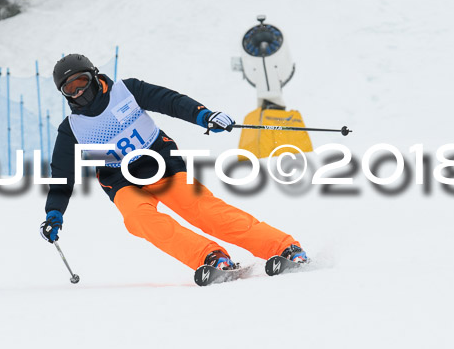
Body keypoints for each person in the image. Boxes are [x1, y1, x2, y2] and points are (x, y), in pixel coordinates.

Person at [40, 54, 307, 272]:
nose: (79, 91)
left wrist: (203, 115)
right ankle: (211, 258)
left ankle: (283, 247)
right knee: (138, 219)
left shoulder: (127, 90)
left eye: (82, 82)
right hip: (119, 180)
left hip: (161, 163)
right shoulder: (71, 129)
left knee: (202, 210)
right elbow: (62, 175)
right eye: (70, 89)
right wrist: (54, 213)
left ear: (95, 76)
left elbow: (169, 101)